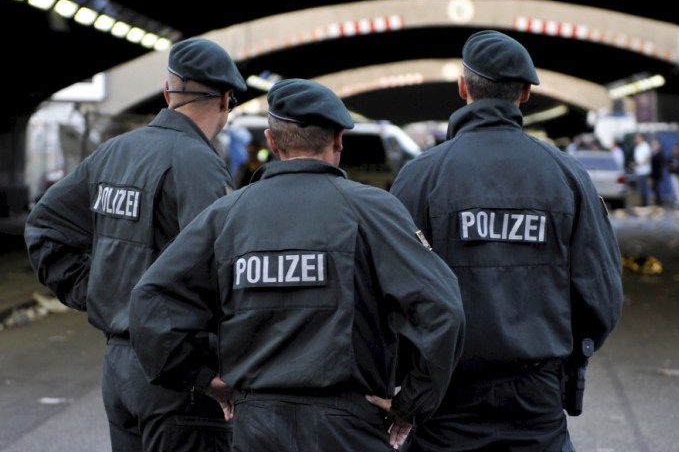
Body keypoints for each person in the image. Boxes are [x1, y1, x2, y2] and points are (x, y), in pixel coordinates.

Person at [128, 78, 466, 451]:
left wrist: (203, 378)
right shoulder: (373, 211)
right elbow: (442, 309)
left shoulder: (227, 214)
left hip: (255, 426)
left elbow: (150, 298)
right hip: (346, 428)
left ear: (272, 142)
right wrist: (411, 404)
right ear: (339, 140)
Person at [389, 29, 624, 451]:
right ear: (526, 93)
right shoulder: (567, 176)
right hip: (536, 398)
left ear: (463, 88)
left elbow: (391, 290)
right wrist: (567, 358)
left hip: (445, 397)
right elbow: (601, 294)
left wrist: (412, 381)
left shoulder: (421, 176)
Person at [25, 37, 247, 452]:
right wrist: (211, 371)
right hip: (178, 379)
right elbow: (225, 273)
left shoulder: (114, 152)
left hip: (119, 370)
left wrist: (97, 291)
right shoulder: (199, 165)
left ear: (167, 92)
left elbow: (45, 228)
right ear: (225, 100)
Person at [632, 132, 653, 206]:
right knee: (641, 189)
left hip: (645, 171)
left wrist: (639, 163)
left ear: (641, 138)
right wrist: (635, 164)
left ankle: (646, 204)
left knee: (645, 189)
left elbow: (648, 158)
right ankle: (642, 203)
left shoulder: (645, 146)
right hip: (639, 171)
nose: (636, 139)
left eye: (637, 138)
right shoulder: (636, 147)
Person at [649, 138, 665, 206]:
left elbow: (662, 164)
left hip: (657, 174)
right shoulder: (653, 153)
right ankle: (657, 202)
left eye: (654, 144)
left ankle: (659, 203)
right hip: (653, 174)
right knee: (654, 189)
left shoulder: (659, 154)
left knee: (657, 189)